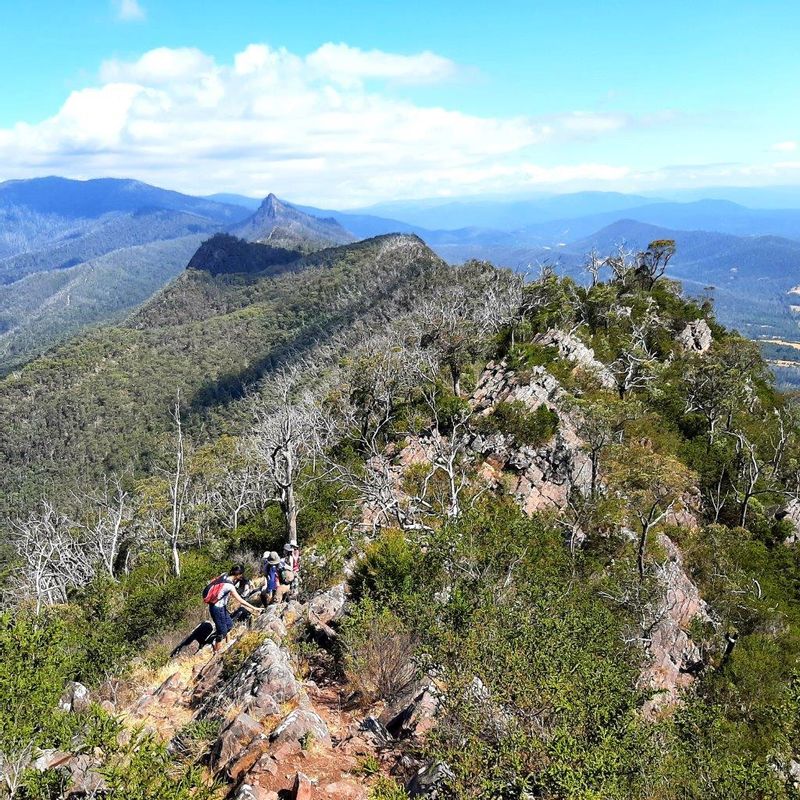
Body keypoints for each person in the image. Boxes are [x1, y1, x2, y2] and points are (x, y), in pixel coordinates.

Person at [206, 564, 262, 652]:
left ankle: (227, 643)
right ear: (239, 575)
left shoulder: (224, 575)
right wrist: (255, 608)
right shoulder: (229, 586)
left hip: (221, 606)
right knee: (221, 632)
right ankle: (217, 651)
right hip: (216, 608)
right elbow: (240, 600)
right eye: (241, 575)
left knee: (229, 624)